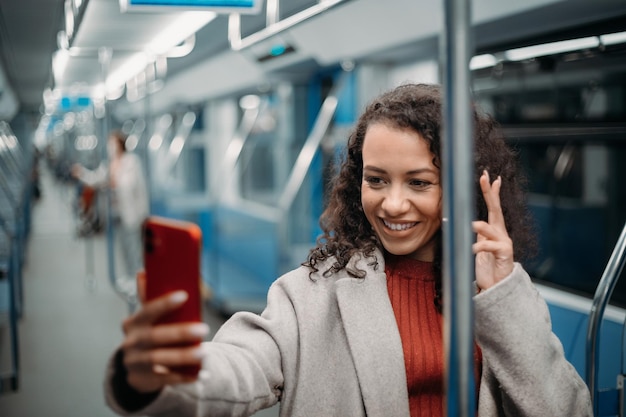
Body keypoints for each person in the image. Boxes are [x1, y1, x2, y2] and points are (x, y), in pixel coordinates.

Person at [104, 83, 592, 416]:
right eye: (375, 179)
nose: (392, 203)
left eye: (419, 183)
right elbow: (240, 366)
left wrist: (501, 294)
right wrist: (158, 377)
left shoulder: (501, 296)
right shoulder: (310, 295)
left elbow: (565, 408)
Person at [73, 130, 149, 295]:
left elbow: (132, 186)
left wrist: (113, 178)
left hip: (132, 213)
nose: (110, 147)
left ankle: (138, 281)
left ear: (120, 144)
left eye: (112, 143)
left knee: (133, 249)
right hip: (116, 213)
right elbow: (95, 180)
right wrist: (82, 173)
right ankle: (129, 278)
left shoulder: (132, 162)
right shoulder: (109, 164)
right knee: (122, 246)